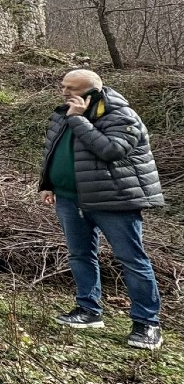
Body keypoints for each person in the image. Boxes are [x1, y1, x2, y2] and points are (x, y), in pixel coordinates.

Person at [39, 69, 164, 350]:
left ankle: (147, 324)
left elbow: (110, 150)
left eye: (72, 88)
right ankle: (88, 310)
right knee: (81, 254)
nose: (65, 92)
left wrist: (79, 120)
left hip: (114, 202)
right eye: (63, 86)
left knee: (132, 260)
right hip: (70, 200)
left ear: (92, 93)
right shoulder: (63, 113)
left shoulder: (122, 117)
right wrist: (47, 183)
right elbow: (53, 149)